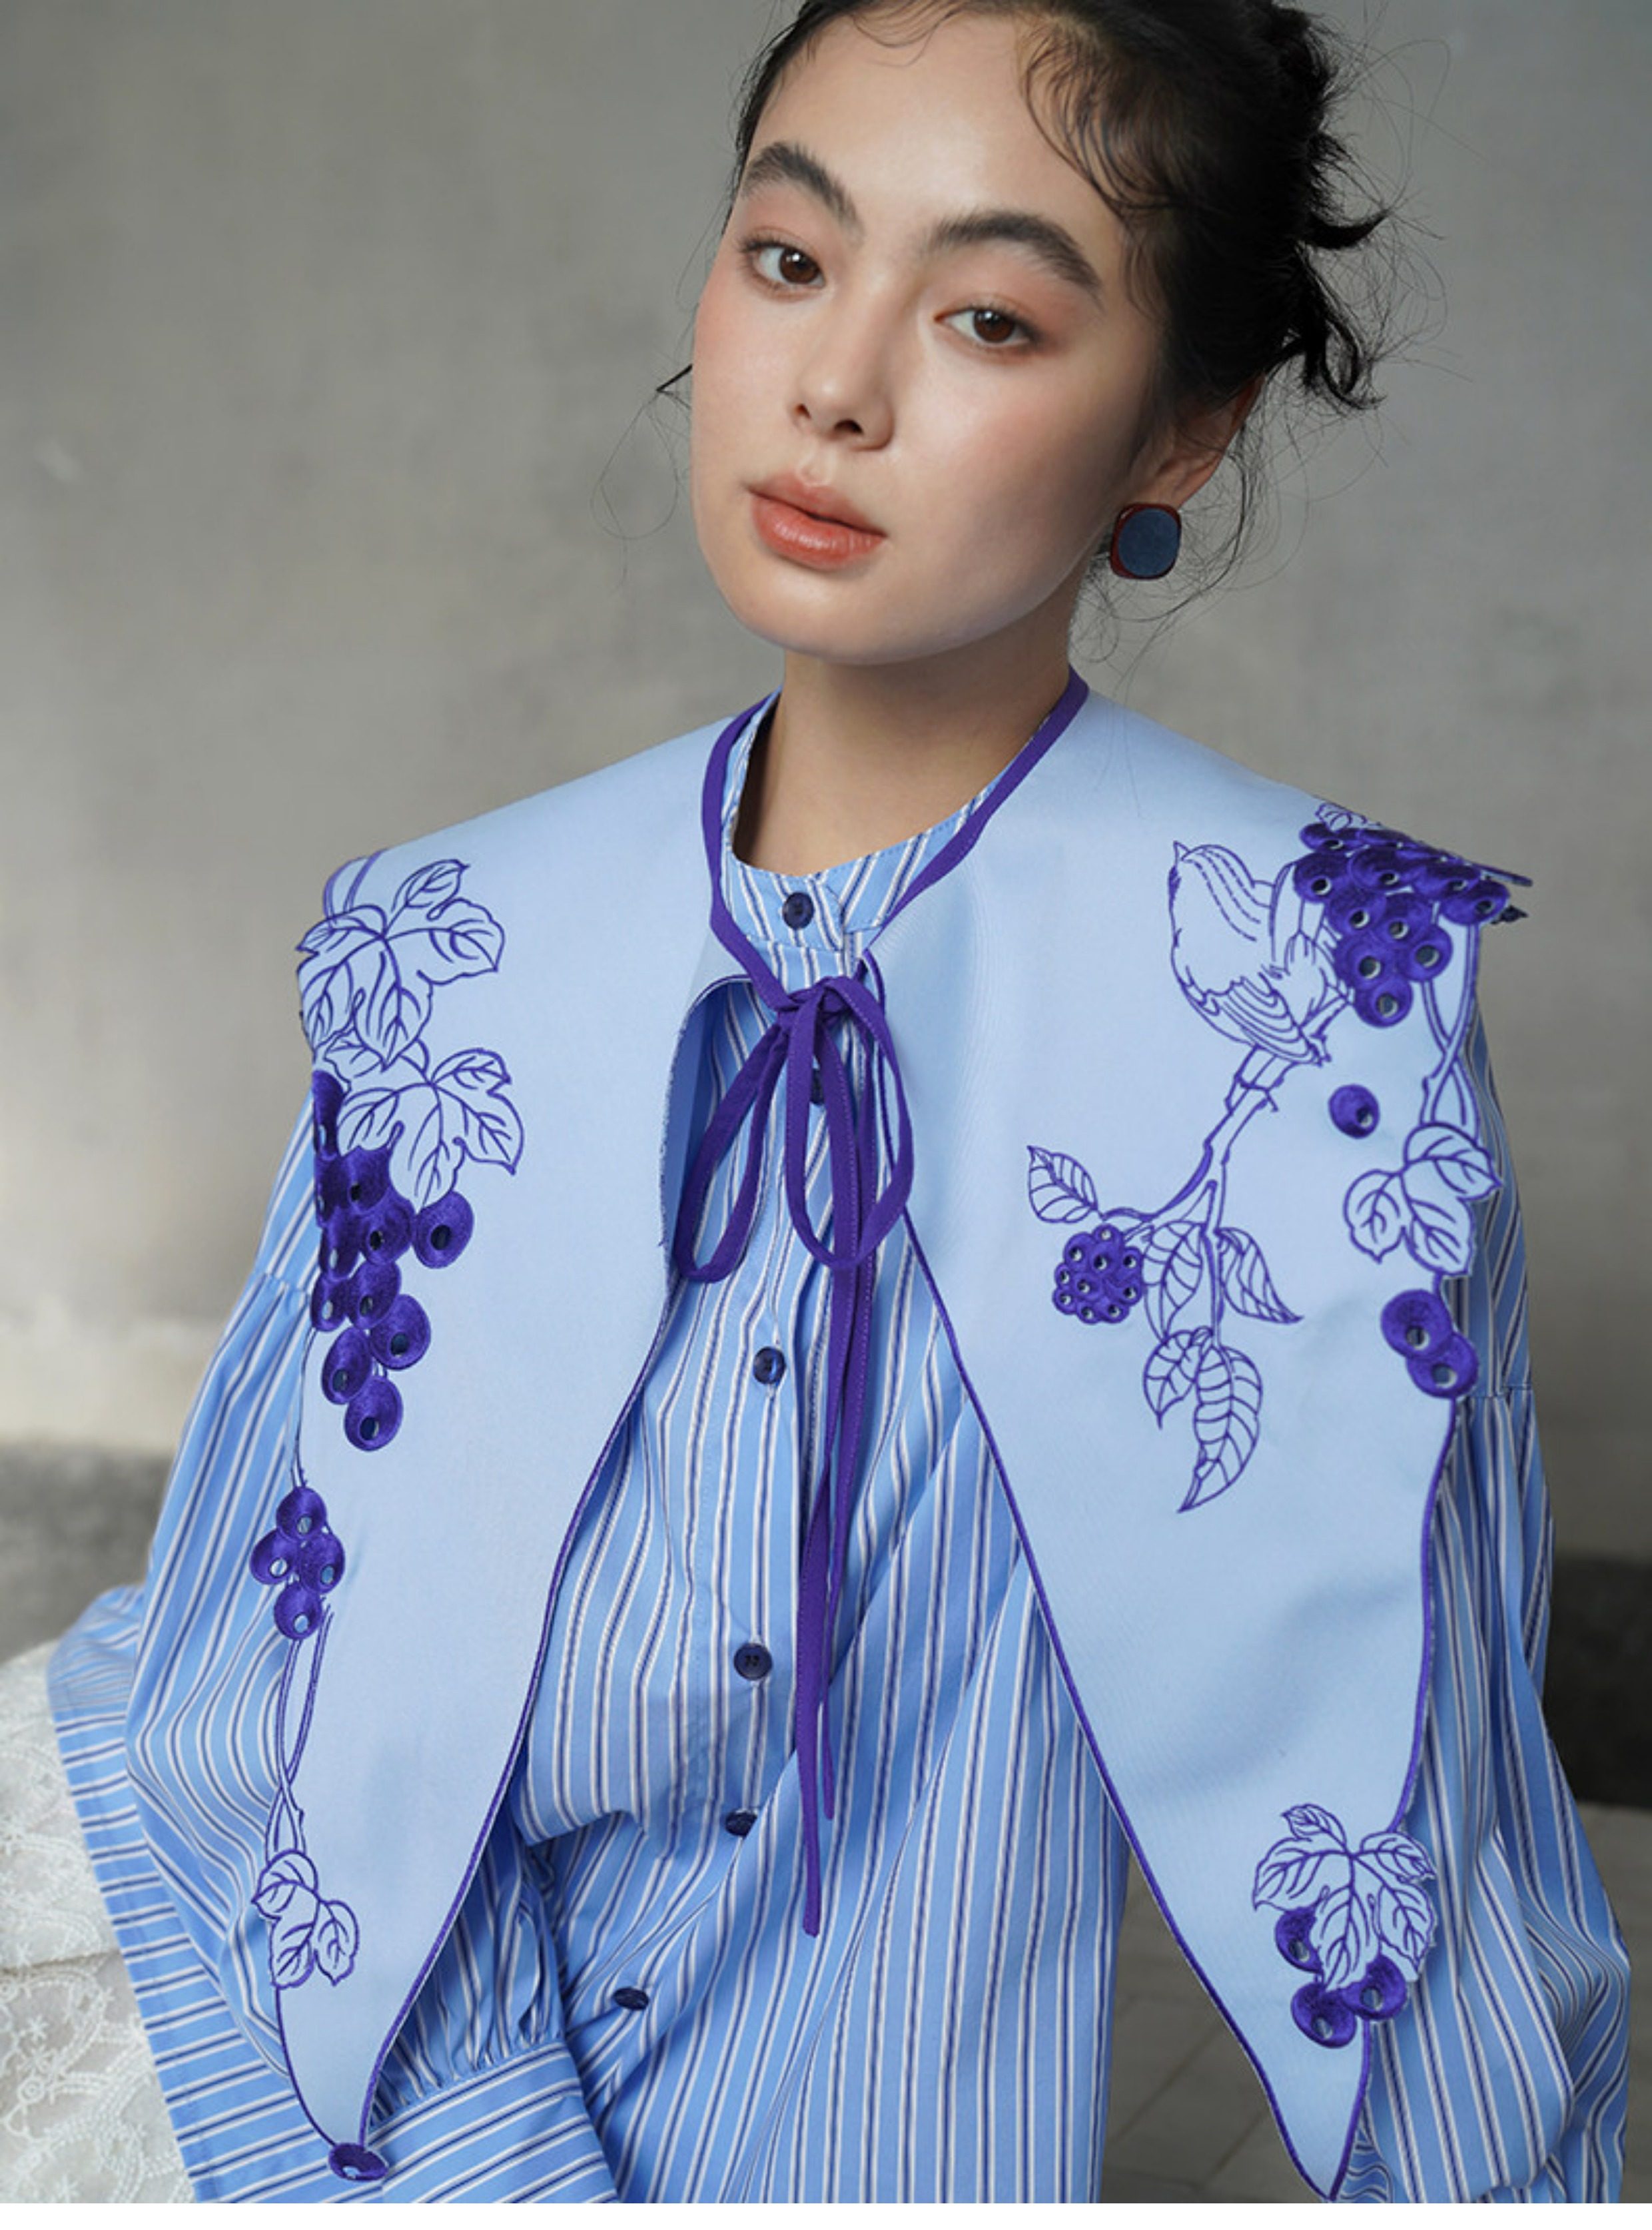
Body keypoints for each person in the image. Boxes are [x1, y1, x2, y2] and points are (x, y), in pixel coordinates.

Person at [0, 0, 1628, 2204]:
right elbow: (253, 1697)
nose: (837, 384)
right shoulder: (445, 952)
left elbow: (1425, 1858)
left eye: (987, 315)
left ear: (1183, 429)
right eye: (789, 258)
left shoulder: (1323, 1011)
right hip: (269, 2094)